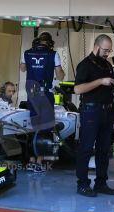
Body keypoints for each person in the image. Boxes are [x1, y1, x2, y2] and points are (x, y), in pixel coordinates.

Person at [74, 34, 114, 197]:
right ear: (97, 47)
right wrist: (100, 81)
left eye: (109, 50)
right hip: (91, 111)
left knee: (103, 149)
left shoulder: (107, 65)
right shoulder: (85, 65)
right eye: (105, 50)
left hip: (107, 110)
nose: (107, 53)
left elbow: (106, 84)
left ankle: (101, 183)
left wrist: (113, 83)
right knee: (86, 148)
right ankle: (83, 184)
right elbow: (77, 89)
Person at [20, 32, 65, 172]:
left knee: (33, 125)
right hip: (45, 94)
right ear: (49, 42)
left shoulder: (26, 53)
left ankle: (31, 160)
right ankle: (39, 162)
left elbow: (22, 69)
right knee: (44, 127)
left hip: (31, 94)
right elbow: (60, 76)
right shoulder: (53, 54)